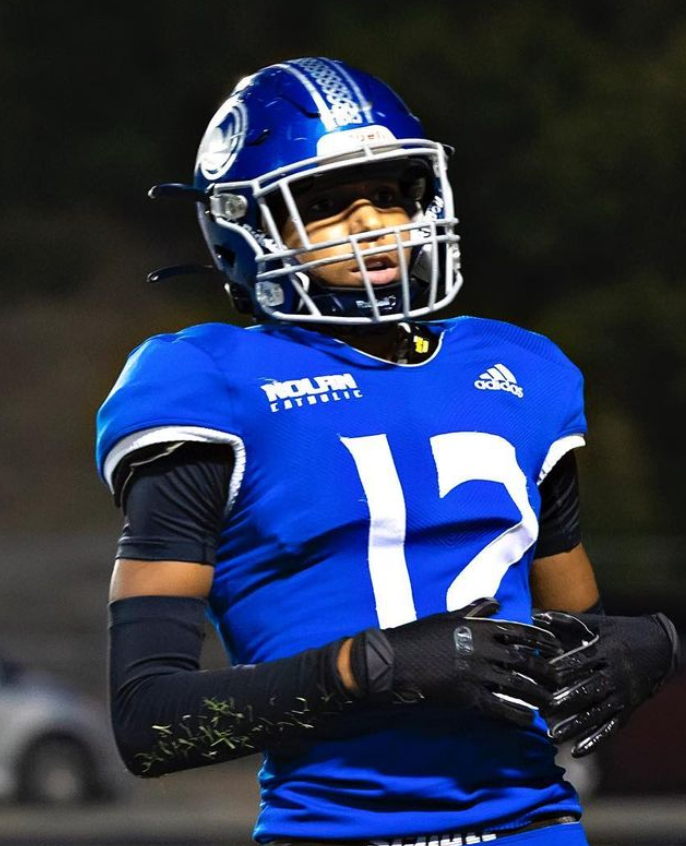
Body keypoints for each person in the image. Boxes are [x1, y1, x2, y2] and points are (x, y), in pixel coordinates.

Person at [96, 57, 679, 845]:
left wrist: (652, 645)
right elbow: (150, 725)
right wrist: (369, 670)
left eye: (391, 193)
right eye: (325, 204)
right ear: (246, 226)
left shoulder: (521, 370)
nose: (372, 223)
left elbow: (579, 640)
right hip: (337, 832)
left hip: (536, 826)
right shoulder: (207, 383)